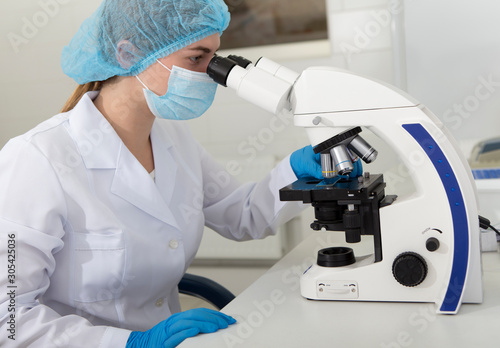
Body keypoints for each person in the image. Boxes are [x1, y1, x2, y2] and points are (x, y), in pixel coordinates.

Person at [0, 0, 358, 347]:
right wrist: (129, 344)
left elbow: (242, 214)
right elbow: (9, 320)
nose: (210, 73)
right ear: (127, 54)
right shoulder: (37, 159)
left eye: (213, 57)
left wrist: (298, 170)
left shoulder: (173, 140)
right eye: (197, 58)